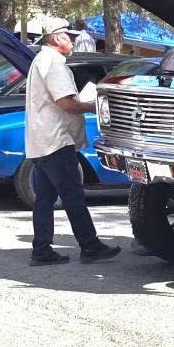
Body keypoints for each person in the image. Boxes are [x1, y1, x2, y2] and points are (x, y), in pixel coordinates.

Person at [26, 18, 120, 265]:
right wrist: (95, 106)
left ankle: (42, 249)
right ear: (57, 38)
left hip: (41, 140)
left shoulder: (40, 60)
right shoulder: (54, 63)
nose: (72, 41)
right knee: (73, 195)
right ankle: (90, 246)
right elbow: (66, 103)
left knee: (44, 199)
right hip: (56, 140)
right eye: (69, 36)